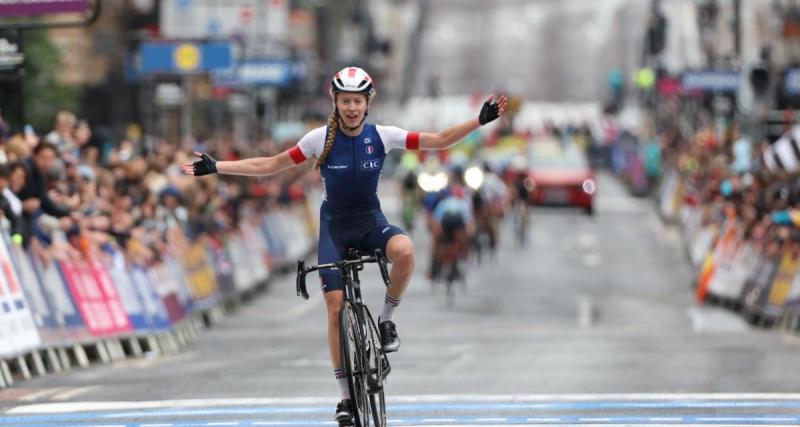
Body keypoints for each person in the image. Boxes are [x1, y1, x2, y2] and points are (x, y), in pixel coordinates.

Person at [181, 66, 507, 425]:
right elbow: (270, 165)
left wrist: (479, 120)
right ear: (335, 102)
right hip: (334, 228)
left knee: (407, 252)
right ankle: (346, 400)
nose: (351, 107)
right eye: (345, 101)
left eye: (357, 101)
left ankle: (385, 320)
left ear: (368, 103)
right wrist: (218, 166)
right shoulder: (318, 139)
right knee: (335, 309)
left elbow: (441, 139)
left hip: (370, 222)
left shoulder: (384, 136)